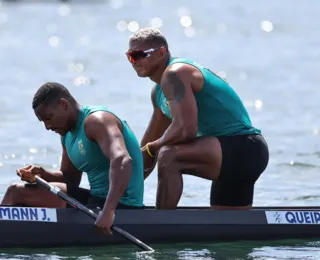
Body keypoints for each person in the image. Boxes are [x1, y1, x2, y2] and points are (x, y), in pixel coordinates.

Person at [126, 27, 269, 210]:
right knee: (229, 231)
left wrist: (153, 148)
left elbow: (186, 129)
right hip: (227, 155)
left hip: (244, 148)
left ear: (162, 52)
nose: (134, 61)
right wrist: (117, 195)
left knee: (169, 156)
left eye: (139, 55)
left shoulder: (175, 74)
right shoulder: (158, 93)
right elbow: (145, 151)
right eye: (130, 56)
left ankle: (162, 223)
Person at [1, 82, 144, 233]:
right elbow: (70, 178)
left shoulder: (97, 121)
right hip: (94, 199)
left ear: (63, 104)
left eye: (48, 118)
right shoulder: (67, 134)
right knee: (16, 191)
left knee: (16, 194)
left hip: (121, 205)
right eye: (42, 121)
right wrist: (42, 174)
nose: (47, 127)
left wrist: (108, 212)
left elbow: (122, 160)